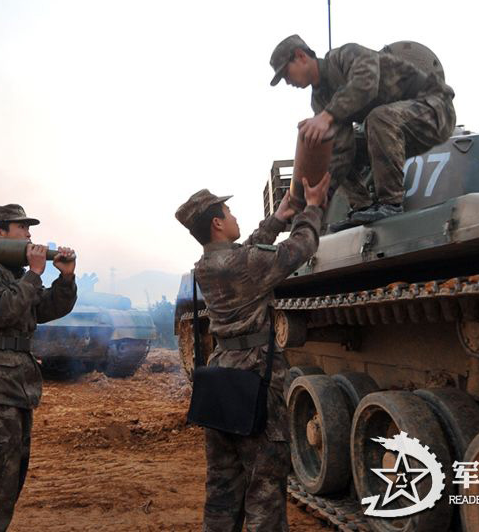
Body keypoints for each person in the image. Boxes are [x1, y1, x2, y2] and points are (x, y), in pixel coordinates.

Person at [175, 173, 330, 532]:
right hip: (254, 381)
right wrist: (313, 207)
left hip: (221, 382)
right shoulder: (244, 264)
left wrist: (276, 219)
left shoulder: (207, 266)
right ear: (217, 223)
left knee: (221, 489)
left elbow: (247, 253)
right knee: (264, 490)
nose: (233, 217)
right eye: (228, 212)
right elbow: (301, 247)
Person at [0, 203, 77, 532]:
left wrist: (65, 278)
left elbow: (48, 307)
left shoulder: (14, 277)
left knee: (8, 482)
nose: (29, 235)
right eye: (21, 228)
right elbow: (5, 309)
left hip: (16, 390)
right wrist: (35, 274)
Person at [270, 34, 456, 227]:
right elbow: (341, 152)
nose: (287, 81)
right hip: (395, 131)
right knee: (333, 148)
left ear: (300, 56)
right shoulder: (320, 100)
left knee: (378, 118)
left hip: (436, 109)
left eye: (286, 73)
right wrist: (318, 199)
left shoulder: (344, 56)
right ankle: (361, 207)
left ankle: (391, 203)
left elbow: (367, 83)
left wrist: (327, 115)